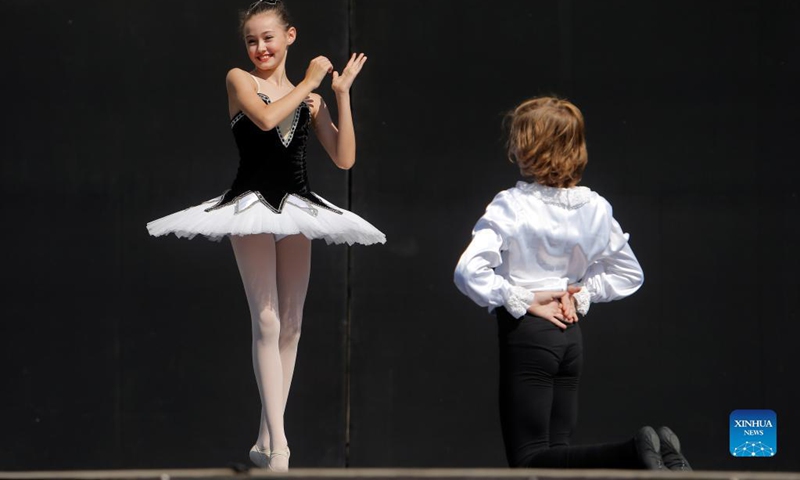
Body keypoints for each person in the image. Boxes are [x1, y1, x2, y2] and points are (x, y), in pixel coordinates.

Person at [146, 0, 385, 471]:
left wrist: (339, 95)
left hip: (297, 207)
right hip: (251, 206)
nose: (260, 47)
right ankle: (280, 446)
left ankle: (264, 438)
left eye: (268, 38)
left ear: (289, 37)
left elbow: (344, 158)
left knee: (292, 323)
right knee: (268, 321)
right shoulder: (241, 79)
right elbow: (266, 118)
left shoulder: (308, 95)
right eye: (252, 40)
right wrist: (308, 84)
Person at [453, 97, 690, 470]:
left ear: (529, 147)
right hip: (570, 336)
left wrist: (523, 297)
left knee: (529, 460)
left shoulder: (512, 204)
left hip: (529, 334)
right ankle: (662, 452)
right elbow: (630, 273)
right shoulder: (594, 207)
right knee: (555, 460)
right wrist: (580, 295)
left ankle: (635, 454)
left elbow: (468, 271)